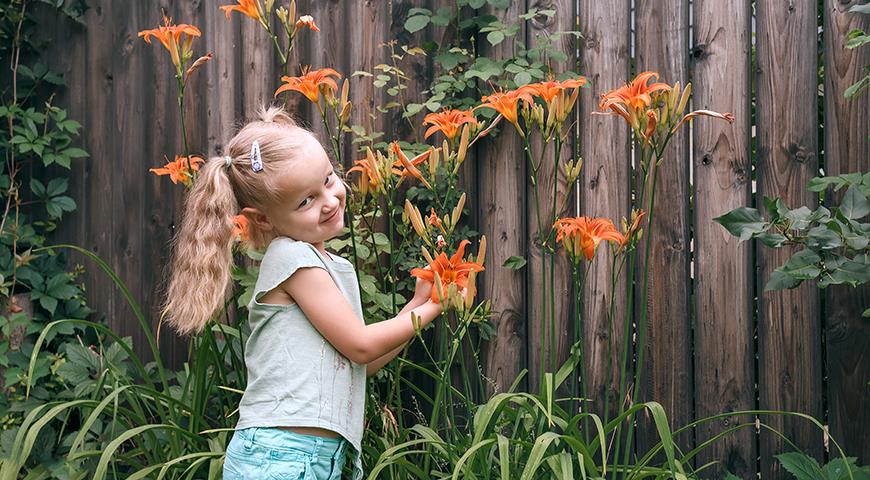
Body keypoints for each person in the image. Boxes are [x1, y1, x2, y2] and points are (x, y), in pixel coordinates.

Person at [159, 106, 445, 479]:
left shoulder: (332, 267)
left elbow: (359, 363)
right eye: (305, 201)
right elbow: (361, 345)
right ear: (262, 219)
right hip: (279, 458)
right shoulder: (292, 259)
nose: (329, 200)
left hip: (308, 459)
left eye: (328, 180)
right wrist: (435, 307)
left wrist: (416, 304)